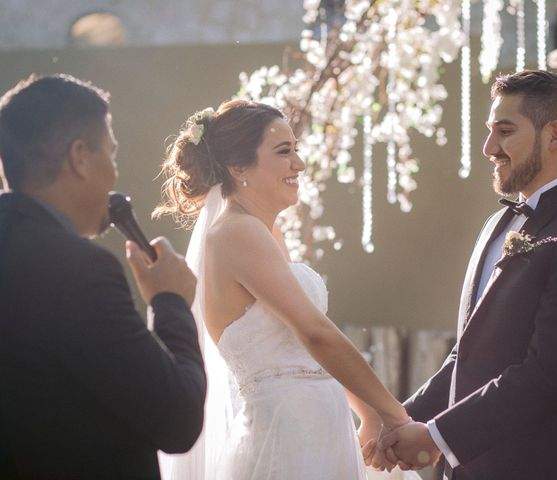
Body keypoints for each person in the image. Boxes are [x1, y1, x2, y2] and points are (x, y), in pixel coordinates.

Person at [379, 69, 557, 480]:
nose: (488, 147)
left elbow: (550, 372)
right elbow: (469, 355)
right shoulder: (494, 226)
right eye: (489, 130)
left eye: (505, 131)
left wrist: (437, 437)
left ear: (554, 135)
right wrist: (398, 420)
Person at [154, 99, 422, 480]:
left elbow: (306, 348)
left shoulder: (265, 232)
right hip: (285, 437)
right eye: (284, 152)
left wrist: (367, 414)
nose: (299, 163)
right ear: (238, 168)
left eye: (296, 150)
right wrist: (395, 415)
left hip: (318, 425)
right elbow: (314, 332)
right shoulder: (235, 232)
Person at [0, 74, 206, 479]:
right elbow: (178, 419)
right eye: (111, 154)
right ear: (80, 157)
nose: (114, 174)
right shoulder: (78, 269)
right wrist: (170, 302)